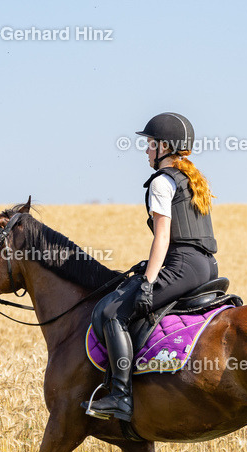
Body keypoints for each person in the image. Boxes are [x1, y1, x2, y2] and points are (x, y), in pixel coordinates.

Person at [83, 112, 219, 422]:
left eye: (150, 144)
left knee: (111, 312)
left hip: (182, 264)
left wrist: (148, 281)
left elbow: (163, 237)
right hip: (206, 265)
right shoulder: (191, 179)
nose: (146, 150)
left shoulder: (161, 182)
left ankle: (119, 395)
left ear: (165, 147)